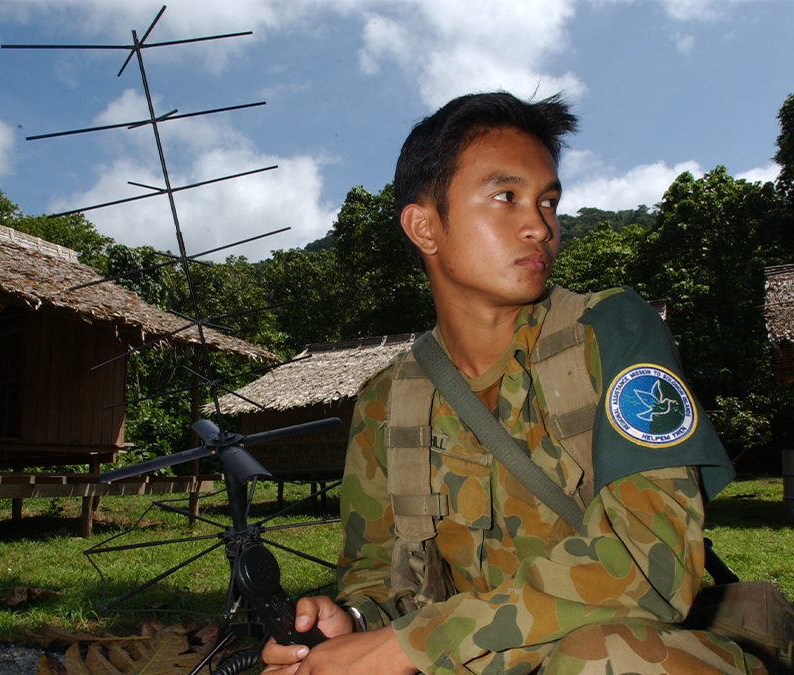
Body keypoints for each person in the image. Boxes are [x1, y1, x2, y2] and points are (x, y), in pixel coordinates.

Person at [261, 92, 765, 675]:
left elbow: (649, 566)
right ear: (424, 225)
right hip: (469, 657)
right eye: (506, 197)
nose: (541, 225)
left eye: (548, 201)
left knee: (606, 659)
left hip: (608, 648)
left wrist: (412, 645)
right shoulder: (387, 401)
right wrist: (354, 624)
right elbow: (379, 577)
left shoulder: (610, 333)